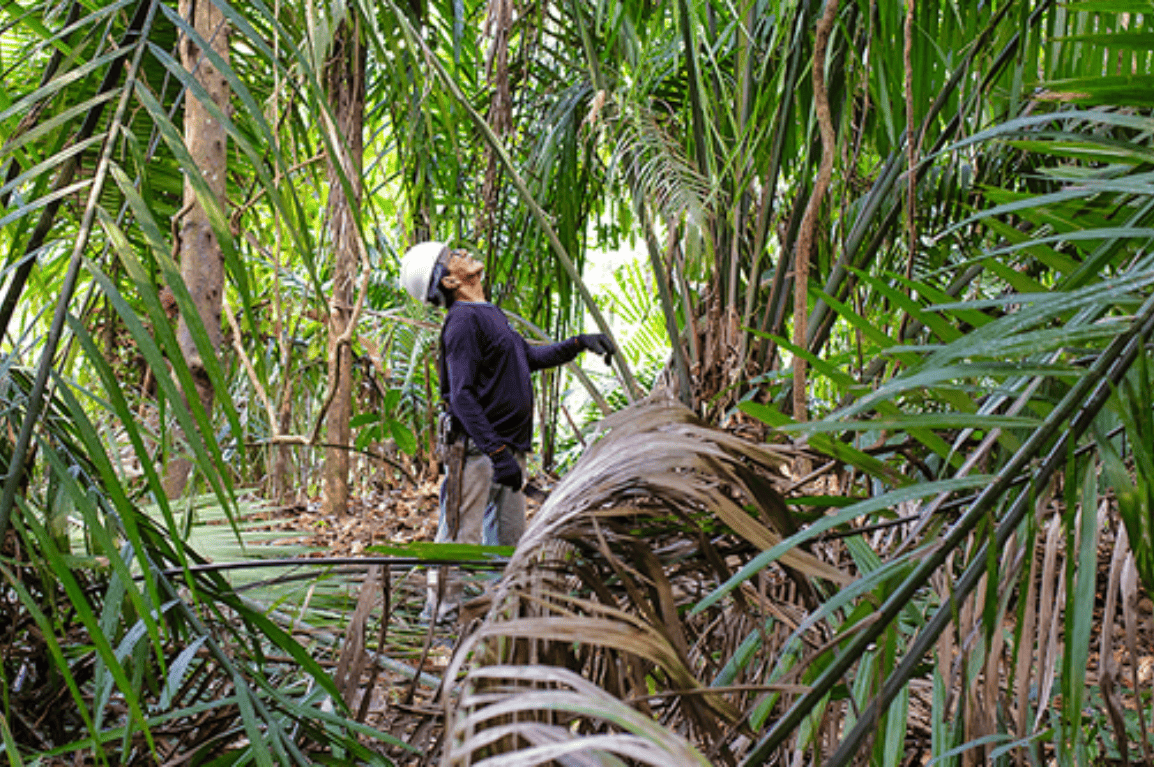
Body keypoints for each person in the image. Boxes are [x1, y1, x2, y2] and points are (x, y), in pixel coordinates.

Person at [399, 241, 615, 625]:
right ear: (449, 280)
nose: (464, 254)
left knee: (508, 540)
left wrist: (579, 344)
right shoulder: (463, 322)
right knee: (460, 537)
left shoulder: (489, 314)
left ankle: (502, 613)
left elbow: (526, 358)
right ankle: (440, 617)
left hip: (506, 449)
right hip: (479, 452)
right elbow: (461, 396)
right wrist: (495, 451)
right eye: (454, 256)